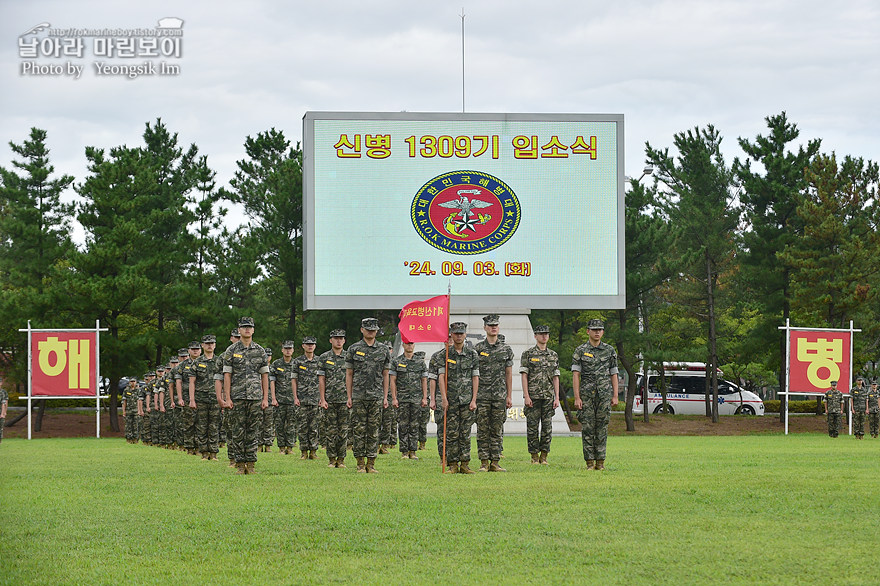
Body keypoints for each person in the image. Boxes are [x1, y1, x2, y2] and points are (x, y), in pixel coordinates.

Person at [221, 317, 270, 474]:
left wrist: (265, 398)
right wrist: (227, 397)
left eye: (249, 327)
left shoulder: (260, 351)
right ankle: (240, 464)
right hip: (237, 396)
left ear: (253, 330)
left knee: (253, 431)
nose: (247, 329)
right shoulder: (232, 351)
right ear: (239, 330)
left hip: (255, 397)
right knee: (238, 430)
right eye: (244, 327)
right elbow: (227, 375)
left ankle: (251, 463)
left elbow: (264, 376)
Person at [572, 319, 619, 471]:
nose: (597, 332)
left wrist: (615, 395)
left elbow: (614, 373)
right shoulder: (580, 350)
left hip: (604, 395)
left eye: (600, 329)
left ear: (603, 332)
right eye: (594, 329)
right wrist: (577, 397)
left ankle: (600, 462)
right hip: (586, 396)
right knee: (587, 428)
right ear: (588, 331)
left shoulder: (609, 350)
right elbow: (576, 375)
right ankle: (589, 462)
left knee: (602, 428)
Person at [345, 317, 390, 473]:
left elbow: (386, 375)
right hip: (358, 396)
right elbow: (349, 374)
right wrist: (349, 396)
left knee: (373, 430)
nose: (371, 332)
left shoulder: (383, 350)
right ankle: (359, 463)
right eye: (368, 329)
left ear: (377, 331)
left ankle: (371, 463)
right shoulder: (353, 349)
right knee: (358, 430)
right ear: (362, 330)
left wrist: (385, 397)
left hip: (376, 396)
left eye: (373, 330)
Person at [474, 314, 513, 472]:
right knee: (482, 429)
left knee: (497, 429)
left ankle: (495, 462)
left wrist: (509, 395)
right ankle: (484, 462)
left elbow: (508, 373)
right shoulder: (477, 349)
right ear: (485, 328)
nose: (493, 327)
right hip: (482, 396)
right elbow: (474, 375)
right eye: (490, 325)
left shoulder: (506, 349)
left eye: (495, 325)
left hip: (499, 396)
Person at [439, 322, 479, 474]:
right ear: (451, 335)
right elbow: (441, 377)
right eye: (456, 333)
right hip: (451, 400)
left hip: (467, 400)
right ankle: (453, 464)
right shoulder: (445, 355)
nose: (459, 336)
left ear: (465, 335)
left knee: (465, 433)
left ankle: (465, 464)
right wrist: (443, 398)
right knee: (451, 433)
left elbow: (475, 377)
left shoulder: (472, 354)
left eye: (461, 333)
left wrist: (474, 399)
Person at [520, 324, 560, 465]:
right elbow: (524, 375)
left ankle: (544, 456)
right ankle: (534, 456)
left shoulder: (553, 355)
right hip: (533, 396)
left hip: (548, 397)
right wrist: (526, 395)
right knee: (532, 428)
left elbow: (556, 377)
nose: (544, 336)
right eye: (541, 334)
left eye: (546, 334)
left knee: (547, 428)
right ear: (535, 336)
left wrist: (557, 397)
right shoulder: (528, 354)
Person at [390, 342, 427, 460]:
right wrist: (394, 398)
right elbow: (393, 381)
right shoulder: (396, 361)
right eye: (407, 344)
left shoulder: (420, 362)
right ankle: (404, 451)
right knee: (403, 424)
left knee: (415, 425)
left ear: (414, 345)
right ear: (403, 345)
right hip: (402, 398)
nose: (409, 346)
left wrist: (425, 397)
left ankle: (413, 451)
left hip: (416, 398)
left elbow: (424, 380)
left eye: (411, 344)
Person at [318, 329, 349, 468]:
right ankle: (331, 459)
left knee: (343, 430)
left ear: (344, 340)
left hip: (344, 399)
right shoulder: (324, 358)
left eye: (341, 338)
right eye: (335, 338)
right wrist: (322, 398)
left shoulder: (349, 357)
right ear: (330, 340)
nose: (338, 340)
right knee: (330, 430)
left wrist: (350, 397)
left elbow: (353, 378)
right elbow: (321, 380)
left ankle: (341, 459)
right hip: (329, 399)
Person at [189, 335, 222, 460]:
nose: (209, 345)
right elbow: (192, 382)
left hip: (215, 398)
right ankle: (204, 453)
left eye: (212, 343)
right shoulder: (197, 362)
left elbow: (223, 382)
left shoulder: (219, 361)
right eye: (207, 343)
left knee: (214, 426)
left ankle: (213, 453)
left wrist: (223, 398)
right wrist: (192, 400)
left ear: (215, 345)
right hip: (201, 398)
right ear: (202, 345)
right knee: (201, 426)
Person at [293, 336, 321, 460]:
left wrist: (322, 397)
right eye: (307, 344)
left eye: (312, 344)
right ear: (303, 346)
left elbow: (322, 380)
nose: (310, 346)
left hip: (315, 398)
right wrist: (295, 397)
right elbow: (294, 380)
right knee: (303, 426)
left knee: (314, 426)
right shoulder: (297, 362)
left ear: (315, 346)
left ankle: (313, 451)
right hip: (302, 398)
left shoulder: (320, 361)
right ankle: (304, 451)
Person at [426, 334, 451, 465]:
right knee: (442, 429)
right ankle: (443, 457)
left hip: (460, 397)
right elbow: (432, 379)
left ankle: (455, 457)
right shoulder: (437, 357)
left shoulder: (467, 355)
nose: (451, 341)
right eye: (449, 339)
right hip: (441, 398)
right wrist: (433, 399)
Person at [271, 340, 297, 455]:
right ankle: (281, 447)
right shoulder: (276, 364)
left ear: (293, 350)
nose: (288, 351)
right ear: (282, 350)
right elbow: (272, 382)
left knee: (291, 424)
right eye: (286, 348)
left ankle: (290, 447)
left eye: (290, 348)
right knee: (279, 424)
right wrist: (273, 398)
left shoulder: (296, 364)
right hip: (279, 399)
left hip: (292, 399)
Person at [177, 342, 202, 454]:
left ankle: (199, 447)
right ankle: (189, 447)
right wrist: (180, 398)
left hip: (202, 397)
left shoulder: (204, 362)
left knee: (201, 423)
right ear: (189, 351)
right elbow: (178, 382)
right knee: (188, 423)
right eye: (193, 349)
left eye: (197, 349)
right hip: (187, 397)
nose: (195, 351)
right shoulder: (182, 365)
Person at [122, 377, 140, 443]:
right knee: (128, 425)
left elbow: (139, 400)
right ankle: (128, 439)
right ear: (129, 382)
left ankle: (135, 439)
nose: (133, 383)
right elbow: (124, 401)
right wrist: (124, 411)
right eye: (131, 381)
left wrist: (139, 410)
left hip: (136, 410)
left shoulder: (138, 390)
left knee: (136, 425)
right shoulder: (126, 390)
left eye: (134, 381)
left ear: (136, 382)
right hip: (128, 410)